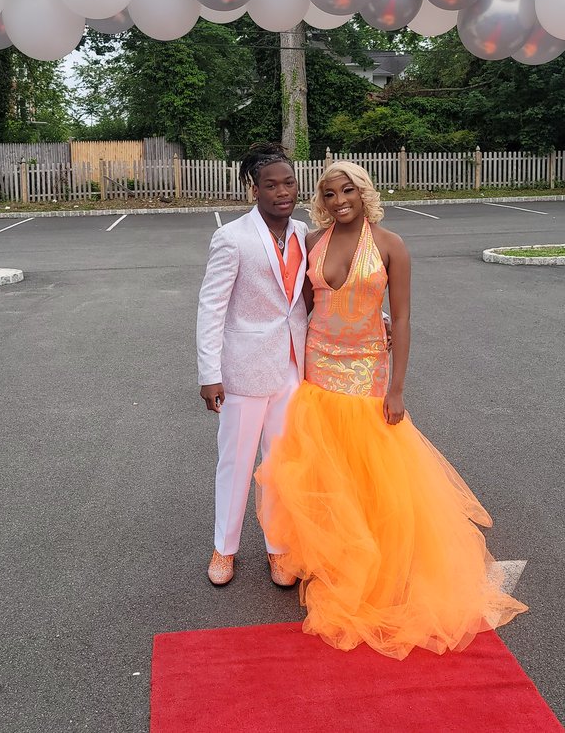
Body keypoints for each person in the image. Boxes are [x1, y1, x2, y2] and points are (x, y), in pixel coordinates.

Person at [256, 161, 527, 660]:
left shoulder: (390, 246)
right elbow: (299, 306)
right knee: (325, 464)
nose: (340, 200)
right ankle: (332, 552)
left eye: (348, 191)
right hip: (318, 369)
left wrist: (396, 388)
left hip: (366, 372)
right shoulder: (311, 241)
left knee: (370, 466)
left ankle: (375, 555)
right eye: (330, 193)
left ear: (364, 193)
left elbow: (400, 320)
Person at [197, 144, 309, 588]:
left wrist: (378, 320)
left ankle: (278, 548)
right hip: (243, 369)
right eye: (271, 185)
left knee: (281, 464)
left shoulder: (304, 232)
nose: (282, 192)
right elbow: (211, 308)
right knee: (236, 462)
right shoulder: (232, 237)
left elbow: (321, 290)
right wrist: (209, 373)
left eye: (289, 183)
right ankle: (224, 548)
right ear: (254, 189)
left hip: (292, 367)